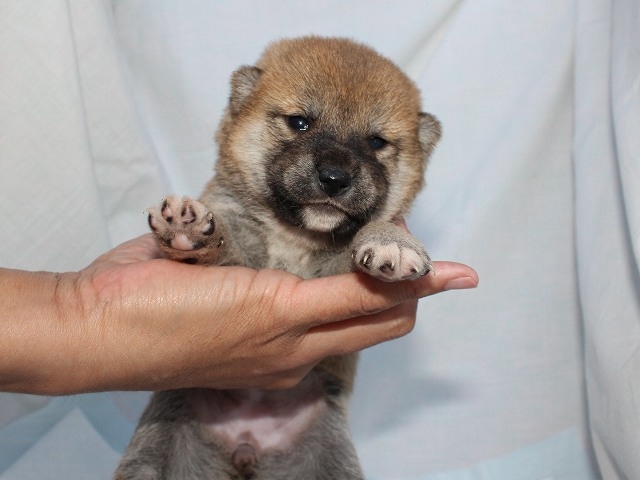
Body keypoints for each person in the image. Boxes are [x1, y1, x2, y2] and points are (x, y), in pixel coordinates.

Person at [0, 233, 477, 396]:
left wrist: (79, 310)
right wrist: (81, 315)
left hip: (313, 409)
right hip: (189, 409)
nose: (335, 170)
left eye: (376, 143)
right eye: (299, 124)